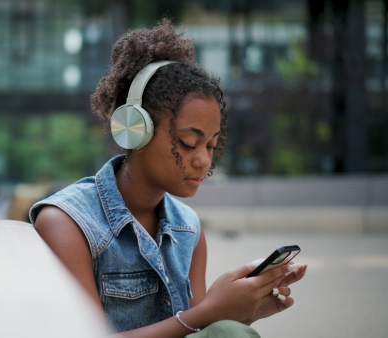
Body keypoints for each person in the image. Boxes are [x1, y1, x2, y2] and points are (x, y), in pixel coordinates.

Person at [29, 19, 307, 337]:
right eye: (188, 143)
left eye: (212, 145)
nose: (203, 160)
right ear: (136, 130)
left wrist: (238, 312)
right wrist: (210, 313)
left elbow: (191, 330)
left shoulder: (188, 227)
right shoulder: (67, 223)